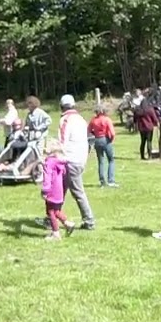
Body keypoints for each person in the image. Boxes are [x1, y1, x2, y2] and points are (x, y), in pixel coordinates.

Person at [57, 94, 96, 229]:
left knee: (77, 192)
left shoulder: (65, 120)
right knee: (60, 190)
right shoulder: (81, 119)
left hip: (70, 160)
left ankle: (89, 220)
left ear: (62, 106)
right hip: (80, 159)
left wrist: (55, 157)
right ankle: (53, 215)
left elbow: (62, 142)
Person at [39, 138, 75, 240]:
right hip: (59, 190)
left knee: (50, 212)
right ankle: (68, 224)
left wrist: (45, 190)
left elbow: (47, 177)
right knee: (56, 210)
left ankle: (56, 233)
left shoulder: (49, 162)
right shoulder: (60, 162)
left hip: (52, 190)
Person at [88, 106, 118, 187]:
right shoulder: (107, 119)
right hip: (105, 139)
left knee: (100, 161)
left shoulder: (93, 120)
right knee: (111, 160)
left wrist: (94, 134)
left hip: (97, 140)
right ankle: (111, 180)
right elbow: (112, 133)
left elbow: (89, 130)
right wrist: (111, 140)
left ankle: (102, 181)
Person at [135, 90, 159, 160]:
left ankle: (142, 156)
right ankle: (150, 156)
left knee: (142, 142)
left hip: (141, 128)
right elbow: (154, 118)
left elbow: (135, 118)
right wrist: (156, 123)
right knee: (149, 141)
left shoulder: (138, 110)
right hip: (149, 127)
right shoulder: (150, 109)